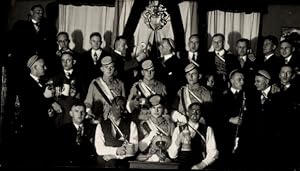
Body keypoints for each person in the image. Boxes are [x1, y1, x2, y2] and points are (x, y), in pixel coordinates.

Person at [17, 55, 62, 167]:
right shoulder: (24, 84)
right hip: (33, 132)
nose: (45, 68)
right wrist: (44, 97)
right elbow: (28, 107)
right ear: (35, 68)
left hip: (44, 129)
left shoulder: (42, 82)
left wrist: (49, 110)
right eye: (43, 66)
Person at [168, 102, 218, 170]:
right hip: (182, 165)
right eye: (192, 111)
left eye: (198, 111)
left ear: (201, 114)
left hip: (199, 165)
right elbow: (172, 155)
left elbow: (213, 152)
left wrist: (201, 165)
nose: (195, 114)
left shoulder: (208, 129)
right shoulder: (178, 129)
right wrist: (178, 140)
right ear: (188, 113)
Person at [94, 96, 138, 168]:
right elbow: (99, 149)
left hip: (124, 161)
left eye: (122, 106)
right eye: (117, 105)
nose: (119, 109)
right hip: (105, 160)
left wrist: (115, 156)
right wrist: (116, 150)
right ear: (111, 106)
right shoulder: (101, 125)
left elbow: (133, 150)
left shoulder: (131, 124)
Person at [84, 56, 125, 122]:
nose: (109, 70)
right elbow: (88, 102)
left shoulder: (120, 84)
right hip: (101, 119)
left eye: (111, 67)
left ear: (114, 68)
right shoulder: (95, 84)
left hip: (116, 119)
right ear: (102, 69)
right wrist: (90, 113)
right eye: (106, 67)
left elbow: (123, 103)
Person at [57, 101, 97, 167]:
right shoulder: (63, 130)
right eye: (76, 111)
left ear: (86, 114)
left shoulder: (93, 129)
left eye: (82, 112)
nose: (80, 114)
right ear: (71, 113)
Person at [137, 94, 175, 162]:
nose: (156, 110)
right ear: (149, 109)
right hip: (148, 158)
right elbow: (140, 147)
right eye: (153, 108)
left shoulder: (170, 125)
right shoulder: (143, 124)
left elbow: (173, 146)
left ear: (163, 108)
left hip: (164, 159)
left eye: (159, 107)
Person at [52, 51, 84, 128]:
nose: (65, 63)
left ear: (74, 61)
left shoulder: (81, 76)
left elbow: (86, 94)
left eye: (68, 60)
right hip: (62, 113)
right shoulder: (55, 77)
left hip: (76, 113)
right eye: (63, 60)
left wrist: (77, 94)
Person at [154, 38, 185, 108]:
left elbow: (177, 82)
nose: (159, 47)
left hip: (170, 97)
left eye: (162, 45)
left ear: (170, 47)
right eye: (160, 45)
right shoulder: (157, 61)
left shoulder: (177, 63)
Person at [78, 32, 110, 98]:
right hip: (86, 91)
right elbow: (80, 75)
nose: (96, 43)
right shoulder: (82, 56)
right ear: (90, 41)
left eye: (98, 41)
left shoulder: (107, 55)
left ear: (101, 42)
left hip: (103, 90)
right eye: (94, 41)